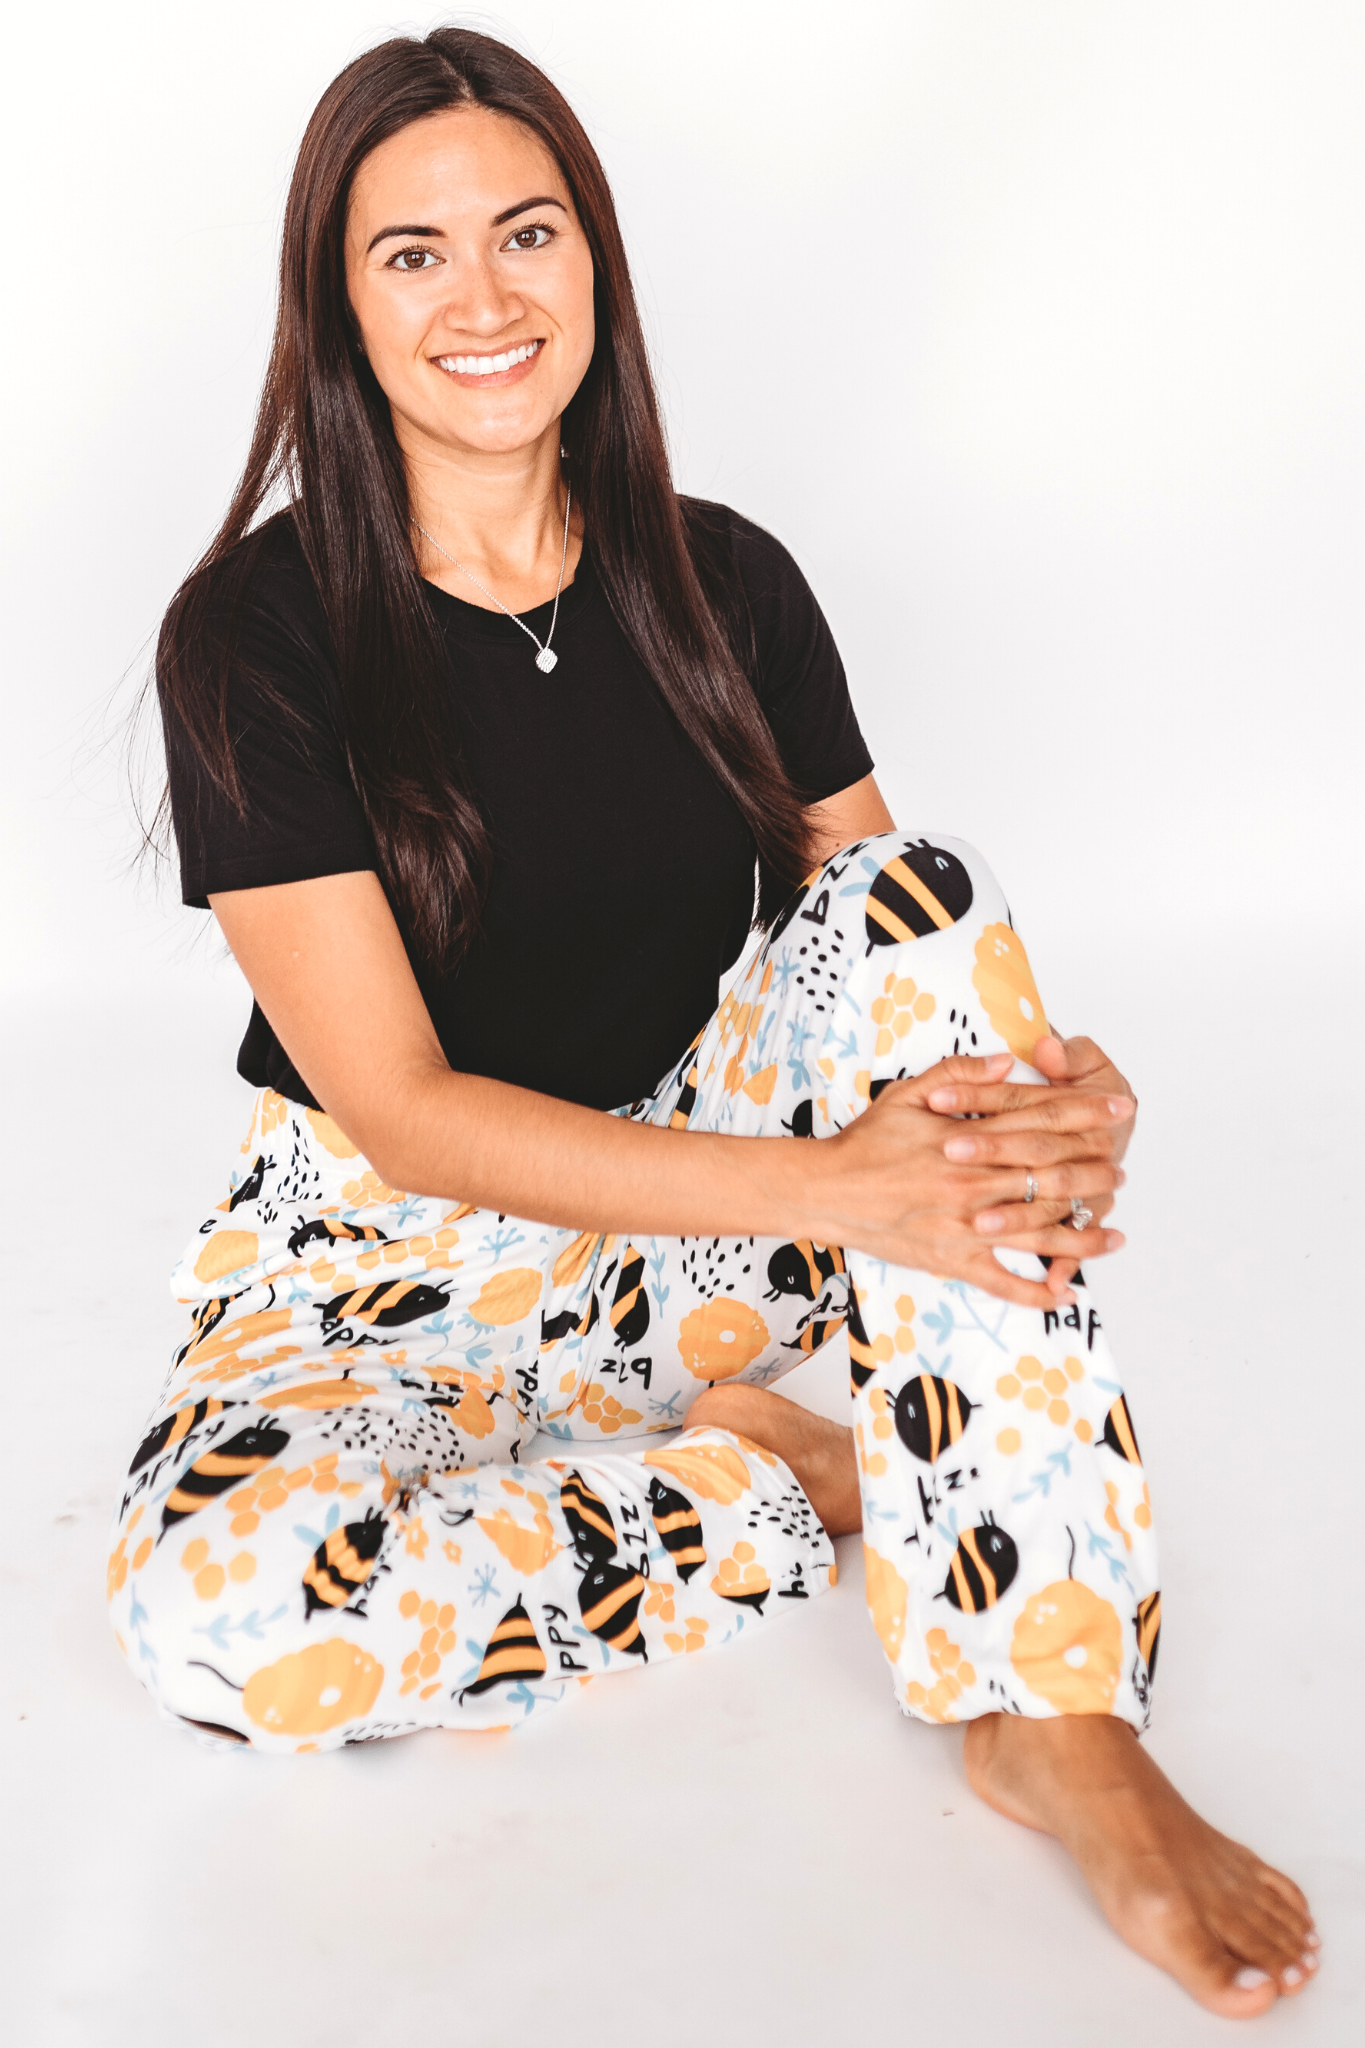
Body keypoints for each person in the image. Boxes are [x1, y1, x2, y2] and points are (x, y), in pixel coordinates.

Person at [110, 26, 1316, 2019]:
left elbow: (898, 934)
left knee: (932, 893)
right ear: (336, 299)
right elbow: (402, 1110)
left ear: (596, 264)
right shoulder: (253, 637)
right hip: (382, 1259)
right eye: (411, 255)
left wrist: (1046, 1092)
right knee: (222, 1626)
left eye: (526, 233)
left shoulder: (726, 581)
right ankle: (784, 1480)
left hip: (706, 1227)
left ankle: (1050, 1699)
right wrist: (855, 1191)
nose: (482, 297)